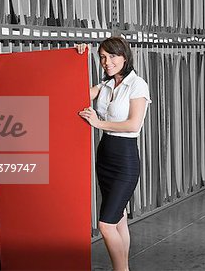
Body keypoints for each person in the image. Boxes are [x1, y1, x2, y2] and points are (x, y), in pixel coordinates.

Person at [77, 37, 151, 271]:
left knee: (106, 224)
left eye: (112, 56)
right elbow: (75, 94)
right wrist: (77, 57)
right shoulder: (105, 85)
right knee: (118, 219)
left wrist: (98, 124)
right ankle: (122, 266)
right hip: (105, 155)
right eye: (102, 57)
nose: (107, 62)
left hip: (125, 158)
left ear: (125, 57)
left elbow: (133, 125)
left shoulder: (137, 84)